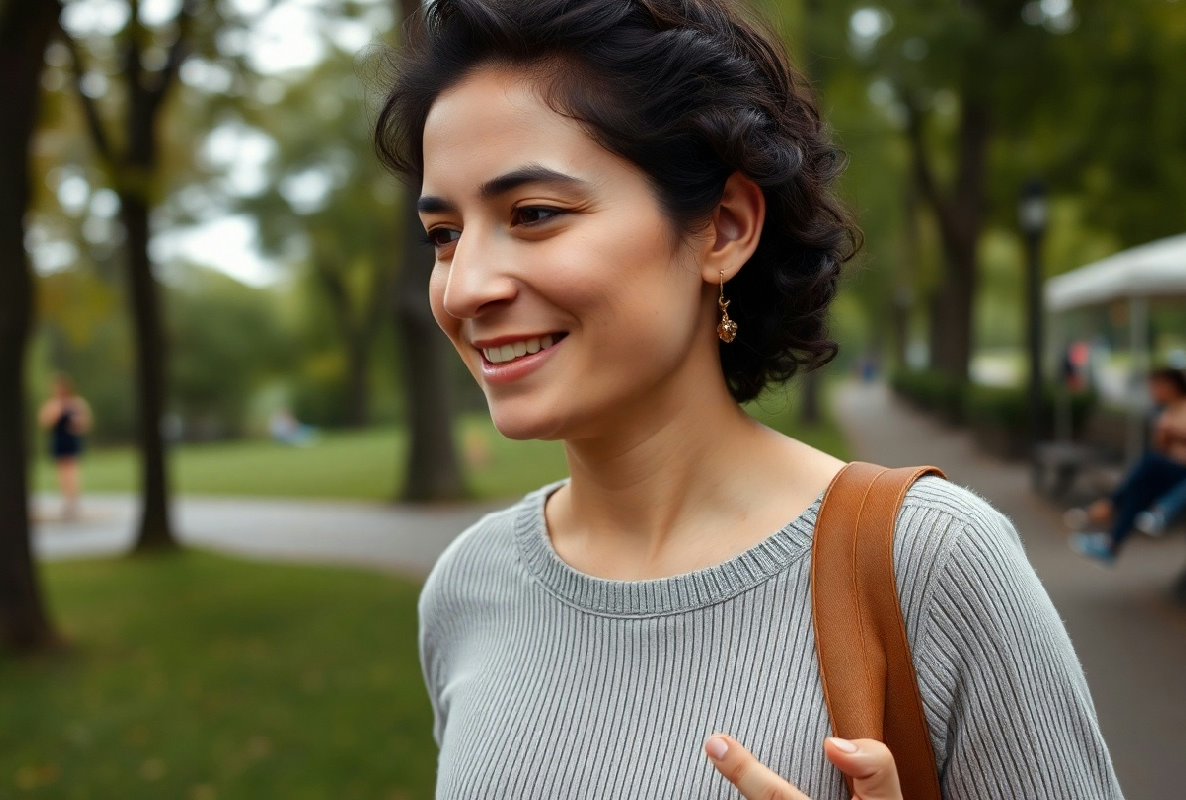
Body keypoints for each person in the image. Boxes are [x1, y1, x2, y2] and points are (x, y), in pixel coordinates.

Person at [375, 1, 1123, 797]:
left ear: (725, 228)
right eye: (444, 234)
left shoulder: (932, 563)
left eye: (533, 215)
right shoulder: (467, 588)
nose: (465, 288)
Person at [1067, 366, 1186, 564]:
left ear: (1171, 386)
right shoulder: (1165, 412)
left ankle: (1112, 506)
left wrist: (1176, 435)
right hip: (1170, 473)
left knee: (1149, 461)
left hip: (1180, 473)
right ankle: (1111, 544)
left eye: (1157, 386)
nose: (1153, 391)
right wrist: (1166, 436)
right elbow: (1162, 448)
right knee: (1140, 490)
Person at [38, 373, 93, 520]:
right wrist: (57, 409)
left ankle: (74, 500)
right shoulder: (53, 404)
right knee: (62, 470)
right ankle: (66, 500)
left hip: (71, 439)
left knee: (73, 469)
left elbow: (85, 422)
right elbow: (45, 422)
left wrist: (77, 424)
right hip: (59, 439)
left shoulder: (76, 403)